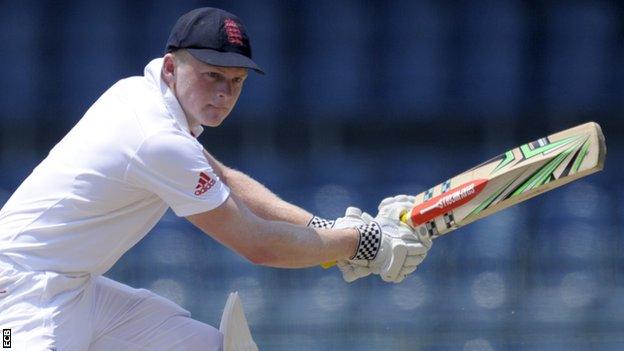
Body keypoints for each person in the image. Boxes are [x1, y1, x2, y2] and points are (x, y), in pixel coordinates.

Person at [0, 7, 432, 351]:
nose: (224, 94)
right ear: (171, 67)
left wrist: (324, 229)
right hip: (18, 296)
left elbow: (224, 177)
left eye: (236, 81)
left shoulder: (142, 96)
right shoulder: (156, 138)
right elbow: (258, 246)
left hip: (75, 289)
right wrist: (362, 241)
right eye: (211, 76)